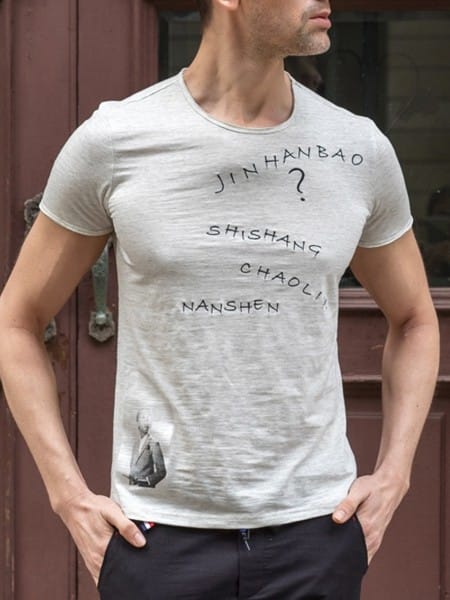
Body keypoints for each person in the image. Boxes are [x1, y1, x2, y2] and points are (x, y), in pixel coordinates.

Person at [0, 1, 440, 599]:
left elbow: (414, 319)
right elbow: (19, 321)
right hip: (156, 538)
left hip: (316, 532)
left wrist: (395, 476)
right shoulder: (116, 140)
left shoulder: (357, 149)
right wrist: (67, 496)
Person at [129, 410, 167, 488]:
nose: (146, 421)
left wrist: (147, 481)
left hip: (146, 490)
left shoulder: (154, 443)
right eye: (143, 418)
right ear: (137, 422)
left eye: (148, 418)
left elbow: (162, 472)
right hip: (132, 489)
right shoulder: (135, 444)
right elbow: (133, 468)